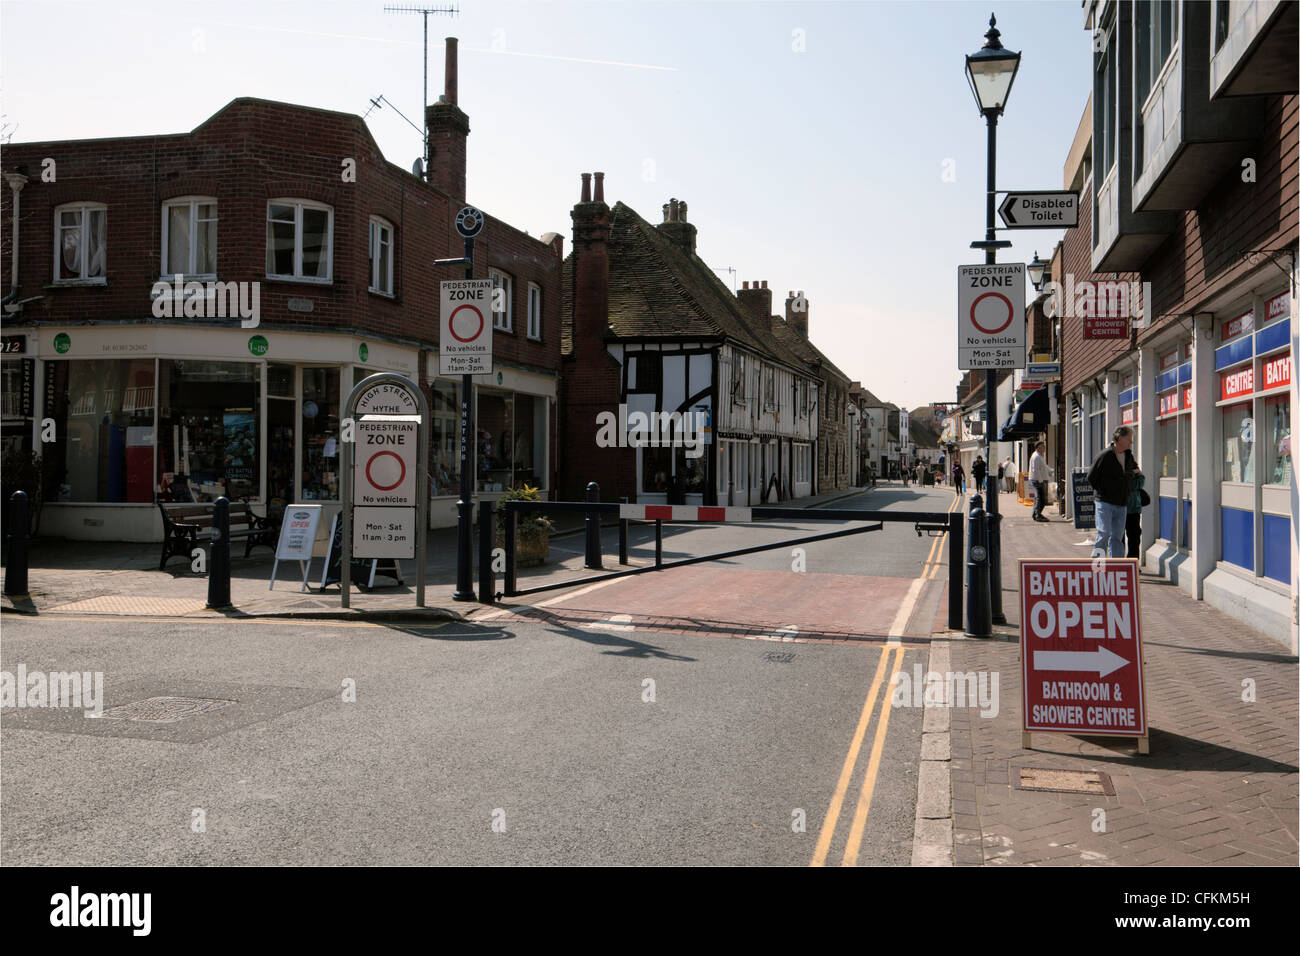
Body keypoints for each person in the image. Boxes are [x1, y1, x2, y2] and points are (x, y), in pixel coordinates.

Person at [1087, 426, 1135, 559]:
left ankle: (1116, 567)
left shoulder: (1128, 455)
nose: (1131, 441)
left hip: (1122, 502)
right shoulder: (1105, 455)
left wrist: (1128, 488)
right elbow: (1091, 477)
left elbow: (1132, 472)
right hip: (1105, 502)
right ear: (1119, 439)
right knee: (1104, 533)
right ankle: (1097, 564)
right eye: (1129, 438)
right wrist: (1103, 492)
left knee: (1117, 537)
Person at [1126, 452, 1146, 558]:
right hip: (1123, 507)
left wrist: (1138, 474)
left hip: (1133, 509)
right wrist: (1136, 473)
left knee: (1134, 537)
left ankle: (1133, 562)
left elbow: (1141, 482)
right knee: (1126, 537)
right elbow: (1132, 484)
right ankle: (1123, 562)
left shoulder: (1133, 467)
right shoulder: (1120, 470)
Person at [1028, 441, 1051, 521]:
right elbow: (1036, 470)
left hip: (1039, 480)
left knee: (1038, 498)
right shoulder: (1036, 457)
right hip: (1038, 480)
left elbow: (1043, 466)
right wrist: (1040, 481)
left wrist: (1050, 470)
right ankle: (1038, 515)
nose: (1044, 448)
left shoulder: (1039, 456)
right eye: (1043, 447)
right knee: (1041, 499)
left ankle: (1035, 514)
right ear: (1038, 448)